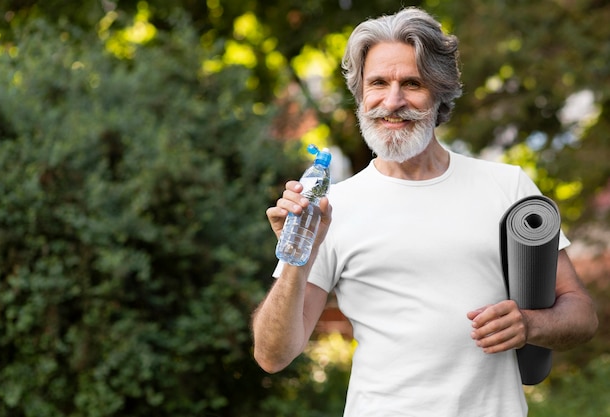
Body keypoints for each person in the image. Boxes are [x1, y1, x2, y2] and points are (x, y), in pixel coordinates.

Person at [252, 7, 598, 416]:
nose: (392, 101)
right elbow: (273, 356)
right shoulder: (331, 209)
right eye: (378, 82)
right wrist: (297, 256)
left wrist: (530, 325)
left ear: (440, 91)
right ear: (360, 94)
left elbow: (581, 314)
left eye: (412, 83)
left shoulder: (508, 187)